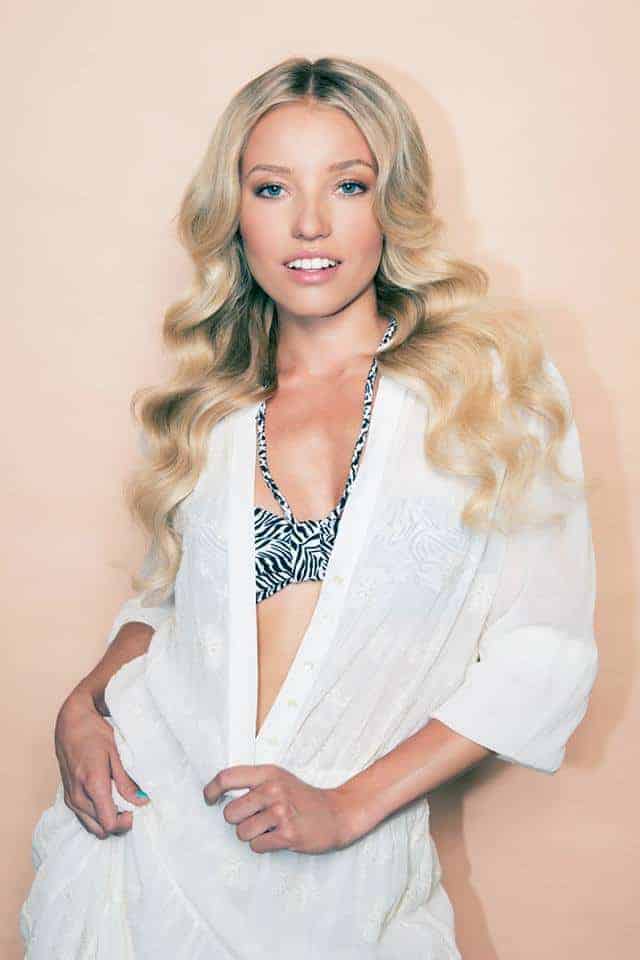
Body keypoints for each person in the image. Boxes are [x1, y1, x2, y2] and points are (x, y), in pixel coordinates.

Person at [20, 56, 599, 958]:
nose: (310, 223)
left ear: (390, 203)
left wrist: (348, 806)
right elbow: (164, 608)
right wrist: (81, 707)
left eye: (348, 184)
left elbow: (544, 651)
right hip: (141, 859)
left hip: (346, 886)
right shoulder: (207, 411)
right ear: (235, 213)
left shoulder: (488, 392)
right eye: (272, 188)